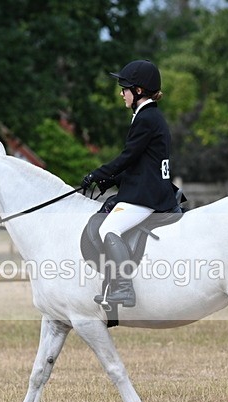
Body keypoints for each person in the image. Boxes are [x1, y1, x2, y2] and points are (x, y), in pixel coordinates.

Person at [81, 59, 177, 308]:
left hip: (148, 195)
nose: (121, 93)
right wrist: (111, 179)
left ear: (138, 91)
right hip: (149, 186)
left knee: (108, 230)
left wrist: (97, 174)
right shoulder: (149, 116)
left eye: (124, 88)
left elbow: (127, 157)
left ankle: (124, 288)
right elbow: (140, 164)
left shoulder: (146, 118)